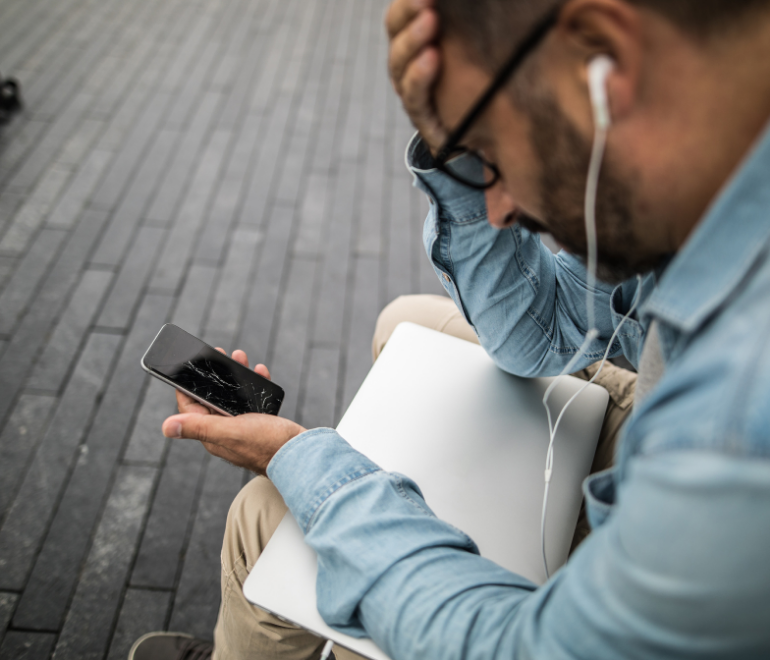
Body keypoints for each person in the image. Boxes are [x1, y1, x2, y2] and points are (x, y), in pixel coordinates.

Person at [130, 0, 770, 657]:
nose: (496, 207)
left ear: (606, 60)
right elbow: (539, 333)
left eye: (490, 151)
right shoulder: (685, 167)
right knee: (406, 324)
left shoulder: (736, 418)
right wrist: (452, 144)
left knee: (265, 520)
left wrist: (302, 458)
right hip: (659, 414)